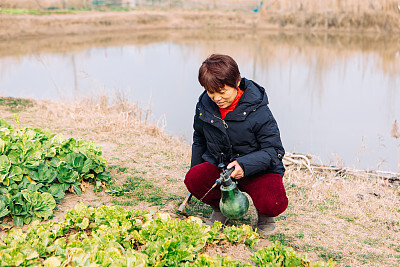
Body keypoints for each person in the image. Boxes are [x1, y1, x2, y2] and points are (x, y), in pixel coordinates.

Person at [184, 54, 288, 235]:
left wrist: (245, 165)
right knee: (194, 178)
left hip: (257, 169)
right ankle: (221, 209)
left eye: (222, 92)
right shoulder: (204, 106)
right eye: (211, 92)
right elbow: (199, 138)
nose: (217, 98)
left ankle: (265, 216)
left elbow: (274, 151)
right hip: (221, 168)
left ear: (237, 82)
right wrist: (198, 177)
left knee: (274, 201)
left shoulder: (259, 110)